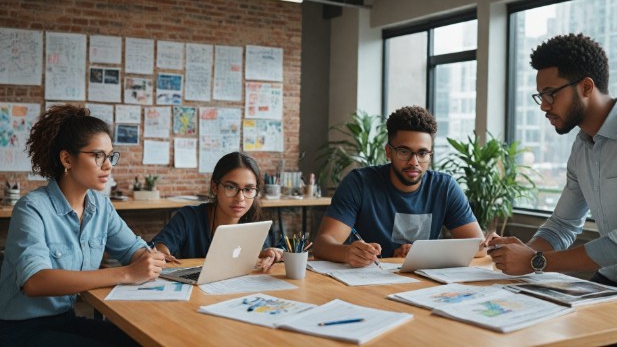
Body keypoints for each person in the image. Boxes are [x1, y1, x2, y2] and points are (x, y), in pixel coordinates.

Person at [485, 33, 617, 345]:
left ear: (586, 87)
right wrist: (529, 251)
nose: (544, 107)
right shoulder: (582, 146)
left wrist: (536, 261)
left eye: (550, 94)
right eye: (540, 96)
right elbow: (563, 225)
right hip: (611, 282)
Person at [0, 104, 165, 346]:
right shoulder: (32, 208)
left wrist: (149, 259)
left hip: (65, 319)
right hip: (21, 330)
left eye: (110, 156)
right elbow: (35, 281)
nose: (108, 165)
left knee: (144, 341)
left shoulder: (101, 206)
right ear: (67, 158)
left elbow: (133, 251)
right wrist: (127, 273)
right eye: (98, 155)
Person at [314, 105, 485, 267]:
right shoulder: (359, 183)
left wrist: (422, 254)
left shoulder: (444, 187)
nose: (414, 162)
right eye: (404, 151)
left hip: (422, 284)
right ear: (389, 152)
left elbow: (478, 246)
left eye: (423, 153)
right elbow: (322, 245)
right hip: (368, 282)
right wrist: (347, 253)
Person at [152, 152, 282, 272]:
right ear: (215, 187)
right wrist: (161, 253)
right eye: (231, 187)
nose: (240, 198)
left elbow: (262, 257)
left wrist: (267, 254)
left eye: (248, 189)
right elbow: (160, 246)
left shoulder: (255, 224)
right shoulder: (189, 218)